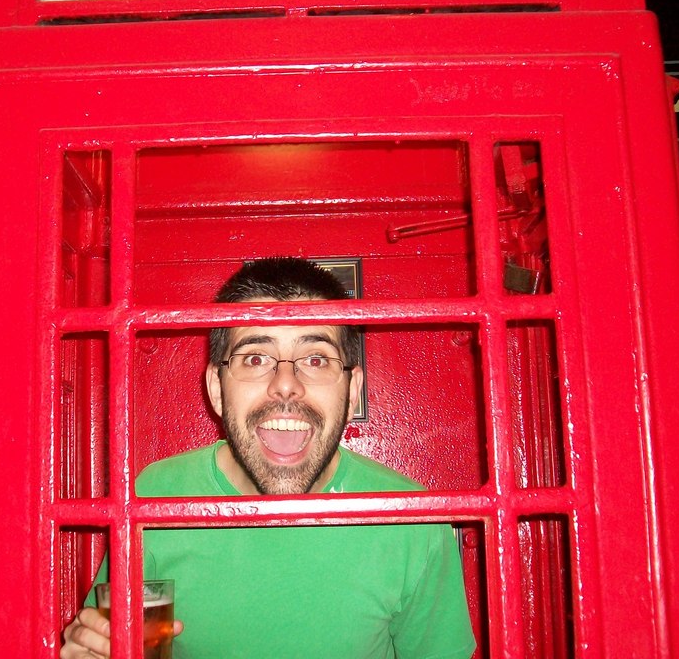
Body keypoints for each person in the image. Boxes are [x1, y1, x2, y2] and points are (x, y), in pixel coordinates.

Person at [61, 257, 476, 659]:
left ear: (352, 392)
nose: (285, 386)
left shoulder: (412, 516)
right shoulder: (152, 496)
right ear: (217, 389)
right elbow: (114, 642)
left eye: (315, 359)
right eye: (255, 358)